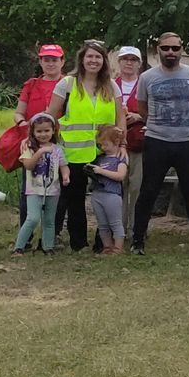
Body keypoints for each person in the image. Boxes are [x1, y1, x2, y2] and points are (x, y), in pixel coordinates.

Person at [129, 31, 189, 254]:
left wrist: (186, 121)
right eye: (166, 48)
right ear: (158, 50)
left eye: (175, 48)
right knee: (148, 191)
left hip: (188, 142)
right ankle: (138, 240)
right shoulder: (147, 77)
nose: (170, 52)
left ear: (181, 49)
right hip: (157, 142)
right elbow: (142, 107)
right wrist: (158, 124)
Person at [48, 40, 124, 253]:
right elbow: (50, 115)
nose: (93, 60)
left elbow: (120, 117)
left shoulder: (111, 85)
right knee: (75, 200)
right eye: (90, 56)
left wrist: (122, 145)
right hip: (74, 152)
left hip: (104, 151)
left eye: (98, 57)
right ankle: (78, 243)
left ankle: (103, 242)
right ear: (82, 59)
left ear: (104, 61)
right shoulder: (67, 84)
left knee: (106, 197)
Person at [12, 43, 65, 225]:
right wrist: (23, 124)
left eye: (54, 60)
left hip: (59, 143)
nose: (50, 64)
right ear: (40, 62)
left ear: (62, 62)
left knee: (57, 189)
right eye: (46, 60)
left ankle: (53, 231)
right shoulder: (31, 85)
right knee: (29, 188)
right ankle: (25, 232)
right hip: (33, 144)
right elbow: (19, 113)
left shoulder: (69, 85)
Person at [11, 112, 66, 256]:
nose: (43, 134)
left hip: (53, 189)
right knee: (33, 218)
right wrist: (40, 152)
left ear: (53, 131)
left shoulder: (58, 149)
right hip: (34, 190)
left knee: (49, 220)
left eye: (47, 130)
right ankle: (19, 246)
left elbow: (63, 165)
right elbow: (28, 165)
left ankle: (48, 247)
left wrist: (66, 176)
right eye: (39, 131)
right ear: (33, 132)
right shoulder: (28, 147)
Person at [111, 46, 146, 208]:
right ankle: (118, 222)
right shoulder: (110, 85)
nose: (129, 63)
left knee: (137, 187)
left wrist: (138, 117)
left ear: (139, 63)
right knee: (116, 187)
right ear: (119, 62)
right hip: (113, 145)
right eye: (125, 59)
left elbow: (156, 111)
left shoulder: (145, 84)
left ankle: (135, 223)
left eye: (133, 60)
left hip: (139, 143)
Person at [90, 125, 130, 255]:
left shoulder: (120, 158)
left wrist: (102, 171)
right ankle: (107, 247)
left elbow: (120, 176)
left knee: (115, 223)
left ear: (116, 142)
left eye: (106, 144)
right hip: (97, 193)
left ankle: (118, 248)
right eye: (100, 145)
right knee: (102, 224)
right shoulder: (99, 158)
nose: (103, 147)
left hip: (112, 194)